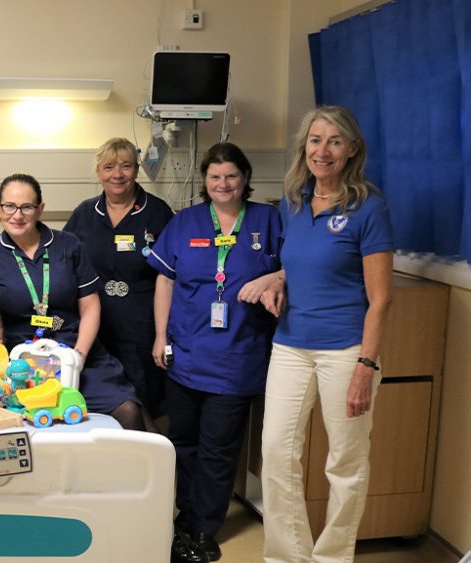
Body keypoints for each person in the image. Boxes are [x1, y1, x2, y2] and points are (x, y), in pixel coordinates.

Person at [260, 106, 393, 563]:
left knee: (346, 464)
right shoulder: (293, 203)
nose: (323, 150)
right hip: (291, 345)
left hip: (346, 350)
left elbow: (381, 298)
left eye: (335, 141)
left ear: (352, 149)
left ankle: (332, 558)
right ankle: (287, 556)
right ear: (305, 147)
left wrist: (366, 366)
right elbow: (303, 264)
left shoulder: (368, 207)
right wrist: (277, 280)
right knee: (276, 455)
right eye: (315, 140)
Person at [147, 143, 282, 563]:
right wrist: (159, 336)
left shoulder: (268, 220)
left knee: (218, 448)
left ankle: (203, 528)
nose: (223, 184)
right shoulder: (185, 222)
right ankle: (182, 519)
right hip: (186, 351)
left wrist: (273, 277)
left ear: (245, 178)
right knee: (183, 441)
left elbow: (299, 265)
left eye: (231, 176)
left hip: (239, 356)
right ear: (205, 182)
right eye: (215, 177)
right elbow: (165, 282)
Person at [0, 173, 145, 430]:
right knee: (28, 422)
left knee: (127, 409)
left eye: (27, 207)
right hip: (20, 358)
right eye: (9, 206)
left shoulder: (68, 245)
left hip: (73, 347)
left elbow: (91, 306)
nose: (17, 215)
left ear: (40, 209)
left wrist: (80, 356)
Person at [64, 137, 173, 418]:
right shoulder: (85, 213)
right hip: (95, 321)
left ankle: (150, 457)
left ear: (136, 170)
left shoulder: (158, 212)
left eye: (126, 166)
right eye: (109, 167)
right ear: (99, 172)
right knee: (101, 397)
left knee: (143, 397)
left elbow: (173, 273)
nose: (118, 174)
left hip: (142, 322)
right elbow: (65, 264)